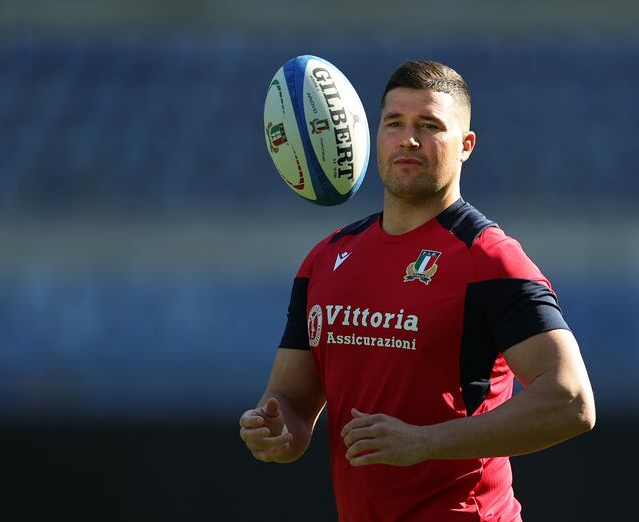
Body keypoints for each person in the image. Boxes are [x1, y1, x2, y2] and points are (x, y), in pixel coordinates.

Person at [240, 60, 596, 522]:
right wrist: (273, 428)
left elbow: (571, 402)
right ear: (374, 134)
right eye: (395, 123)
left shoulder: (488, 258)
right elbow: (291, 405)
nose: (408, 138)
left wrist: (425, 442)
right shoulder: (325, 260)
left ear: (465, 146)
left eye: (429, 126)